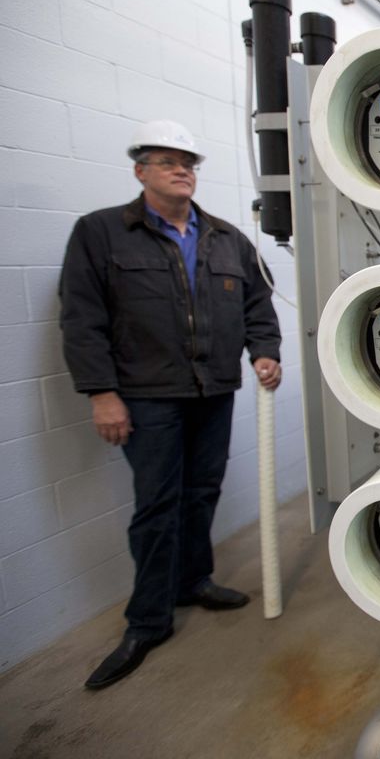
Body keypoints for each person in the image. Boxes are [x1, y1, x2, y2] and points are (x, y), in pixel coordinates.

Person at [59, 120, 283, 690]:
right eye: (166, 161)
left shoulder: (226, 237)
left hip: (213, 389)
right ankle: (148, 620)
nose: (182, 169)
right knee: (157, 504)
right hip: (146, 394)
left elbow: (259, 301)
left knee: (202, 490)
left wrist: (264, 352)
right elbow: (82, 318)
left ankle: (194, 581)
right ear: (140, 171)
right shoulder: (103, 233)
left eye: (188, 162)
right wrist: (102, 392)